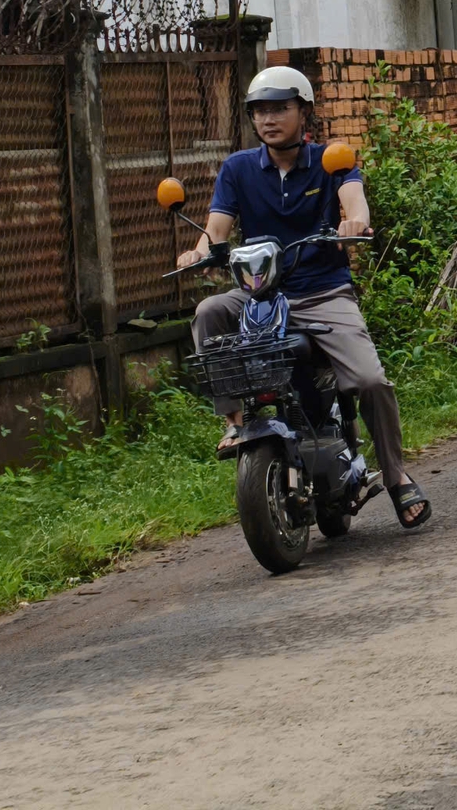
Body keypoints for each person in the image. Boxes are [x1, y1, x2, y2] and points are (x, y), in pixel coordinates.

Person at [179, 65, 430, 529]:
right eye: (259, 111)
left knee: (371, 381)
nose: (268, 119)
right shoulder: (237, 169)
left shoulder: (333, 159)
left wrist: (353, 221)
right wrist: (198, 251)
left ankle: (395, 476)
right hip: (260, 296)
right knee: (209, 311)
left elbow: (354, 201)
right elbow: (217, 229)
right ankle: (234, 420)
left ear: (304, 112)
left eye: (279, 109)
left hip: (323, 292)